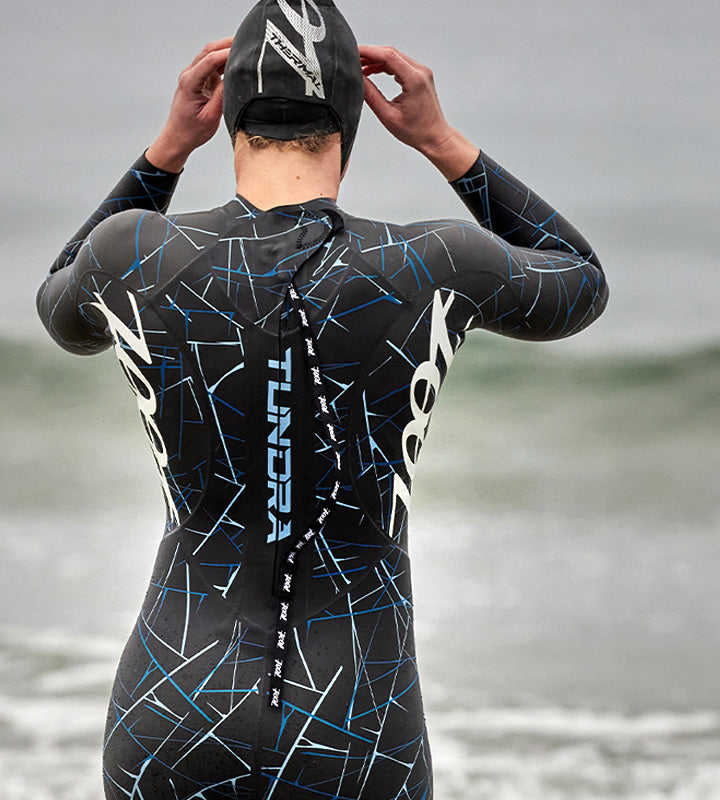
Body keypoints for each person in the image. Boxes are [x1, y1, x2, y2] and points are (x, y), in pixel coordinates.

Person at [36, 1, 608, 798]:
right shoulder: (431, 261)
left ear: (227, 110)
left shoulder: (131, 251)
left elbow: (58, 307)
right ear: (352, 118)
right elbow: (579, 278)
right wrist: (441, 141)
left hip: (173, 704)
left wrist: (166, 151)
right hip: (358, 719)